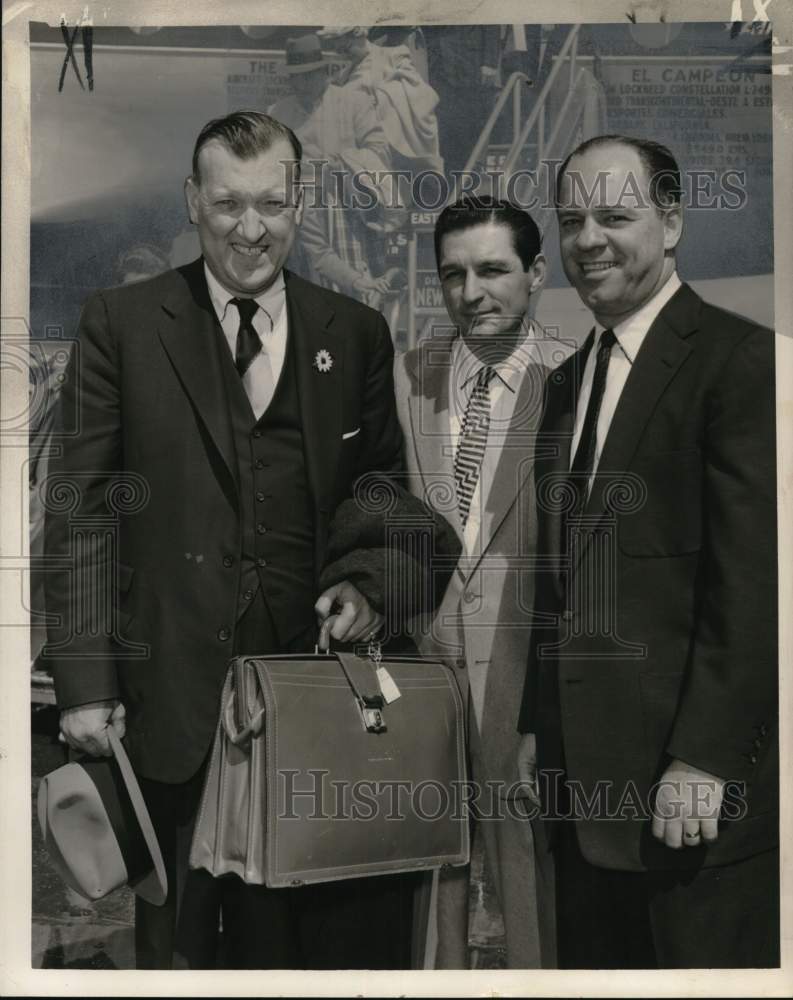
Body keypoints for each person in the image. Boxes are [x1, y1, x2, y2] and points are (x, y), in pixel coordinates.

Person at [43, 110, 409, 970]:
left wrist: (364, 585)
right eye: (228, 205)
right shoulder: (122, 325)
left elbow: (379, 496)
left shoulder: (352, 334)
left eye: (272, 205)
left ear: (299, 202)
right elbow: (82, 513)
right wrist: (84, 687)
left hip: (306, 698)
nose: (252, 230)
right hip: (165, 695)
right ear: (192, 203)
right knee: (175, 944)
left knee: (292, 939)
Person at [517, 135, 778, 968]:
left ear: (670, 224)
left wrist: (703, 758)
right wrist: (536, 731)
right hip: (582, 802)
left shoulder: (738, 362)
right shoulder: (564, 384)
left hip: (691, 804)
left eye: (614, 215)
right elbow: (559, 581)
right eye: (570, 220)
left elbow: (755, 587)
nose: (586, 239)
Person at [394, 197, 559, 968]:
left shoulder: (571, 381)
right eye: (452, 275)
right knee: (430, 879)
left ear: (534, 274)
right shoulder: (409, 376)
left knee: (531, 881)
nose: (472, 292)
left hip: (522, 681)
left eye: (492, 270)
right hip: (426, 674)